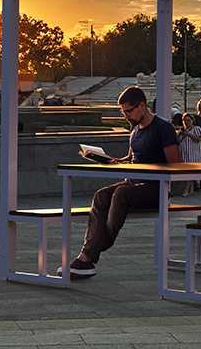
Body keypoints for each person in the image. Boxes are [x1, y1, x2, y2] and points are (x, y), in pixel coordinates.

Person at [58, 85, 181, 278]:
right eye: (123, 112)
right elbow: (133, 157)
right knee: (101, 195)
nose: (126, 116)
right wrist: (114, 160)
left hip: (156, 188)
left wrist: (148, 170)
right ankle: (88, 258)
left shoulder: (163, 128)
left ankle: (89, 254)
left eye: (128, 111)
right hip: (133, 182)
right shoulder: (135, 128)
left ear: (142, 106)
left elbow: (176, 165)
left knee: (120, 194)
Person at [177, 112, 201, 197]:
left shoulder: (197, 129)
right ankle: (191, 190)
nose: (187, 122)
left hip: (193, 154)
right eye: (185, 121)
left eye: (188, 120)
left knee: (190, 172)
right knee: (188, 173)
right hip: (185, 154)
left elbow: (198, 139)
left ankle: (186, 190)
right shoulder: (184, 131)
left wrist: (189, 135)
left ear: (192, 121)